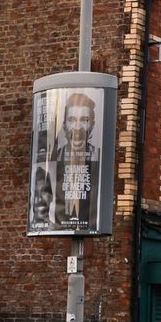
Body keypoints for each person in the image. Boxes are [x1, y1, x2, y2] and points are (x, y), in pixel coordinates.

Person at [54, 91, 100, 227]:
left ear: (92, 125)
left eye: (84, 120)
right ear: (64, 125)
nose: (78, 127)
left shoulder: (99, 158)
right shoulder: (54, 159)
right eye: (72, 120)